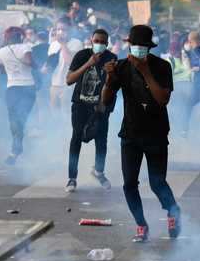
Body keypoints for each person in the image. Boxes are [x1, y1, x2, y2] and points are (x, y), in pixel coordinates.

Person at [101, 25, 182, 242]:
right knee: (129, 183)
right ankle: (141, 224)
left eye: (143, 47)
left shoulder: (162, 66)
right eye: (136, 46)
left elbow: (162, 99)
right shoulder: (120, 67)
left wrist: (145, 71)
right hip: (130, 133)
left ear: (149, 48)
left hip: (156, 133)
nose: (139, 50)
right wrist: (109, 79)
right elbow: (105, 100)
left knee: (157, 181)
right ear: (129, 46)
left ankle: (173, 211)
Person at [64, 28, 117, 192]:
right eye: (97, 41)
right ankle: (72, 178)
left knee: (101, 140)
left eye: (103, 42)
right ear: (91, 40)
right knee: (76, 138)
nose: (99, 44)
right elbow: (69, 80)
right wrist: (88, 63)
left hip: (100, 107)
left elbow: (113, 85)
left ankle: (99, 171)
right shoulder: (81, 55)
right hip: (80, 105)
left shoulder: (111, 58)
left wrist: (110, 74)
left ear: (107, 44)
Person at [0, 26, 36, 165]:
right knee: (21, 118)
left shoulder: (1, 51)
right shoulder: (26, 47)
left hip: (12, 87)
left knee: (14, 119)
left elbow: (1, 71)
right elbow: (30, 62)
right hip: (27, 87)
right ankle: (17, 147)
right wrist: (35, 66)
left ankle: (16, 147)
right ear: (21, 36)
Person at [47, 16, 83, 114]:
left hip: (68, 86)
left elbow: (72, 63)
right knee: (54, 115)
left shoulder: (77, 43)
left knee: (66, 115)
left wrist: (63, 44)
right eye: (58, 29)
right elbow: (50, 64)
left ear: (70, 30)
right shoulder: (53, 44)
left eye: (63, 29)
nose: (60, 32)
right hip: (54, 85)